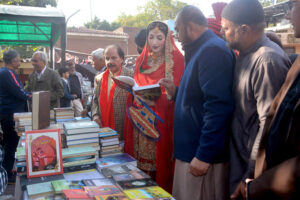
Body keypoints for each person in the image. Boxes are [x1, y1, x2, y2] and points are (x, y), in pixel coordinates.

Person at [160, 5, 235, 199]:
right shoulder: (201, 50)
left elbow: (218, 107)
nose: (176, 36)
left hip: (201, 159)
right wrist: (176, 92)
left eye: (177, 29)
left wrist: (204, 154)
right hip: (192, 154)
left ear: (190, 27)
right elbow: (199, 97)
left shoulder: (212, 51)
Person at [221, 0, 291, 196]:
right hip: (239, 159)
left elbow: (267, 124)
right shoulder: (245, 55)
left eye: (226, 28)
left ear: (243, 29)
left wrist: (250, 176)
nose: (223, 33)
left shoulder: (267, 60)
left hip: (251, 169)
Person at [124, 21, 184, 193]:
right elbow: (136, 85)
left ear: (167, 38)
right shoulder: (141, 60)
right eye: (151, 37)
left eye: (160, 37)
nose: (155, 42)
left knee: (159, 164)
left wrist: (158, 99)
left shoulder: (177, 60)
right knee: (141, 167)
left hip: (162, 120)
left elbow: (178, 93)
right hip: (141, 120)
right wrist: (135, 94)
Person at [0, 50, 31, 181]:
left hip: (5, 112)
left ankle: (6, 171)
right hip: (12, 114)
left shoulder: (2, 72)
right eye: (19, 59)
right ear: (13, 61)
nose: (20, 61)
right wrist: (32, 95)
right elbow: (20, 92)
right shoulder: (9, 73)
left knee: (8, 143)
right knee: (12, 144)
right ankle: (7, 174)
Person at [91, 45, 133, 140]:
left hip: (125, 129)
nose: (110, 62)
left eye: (114, 58)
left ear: (122, 59)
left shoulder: (131, 75)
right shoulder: (99, 78)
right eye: (107, 58)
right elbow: (95, 101)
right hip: (103, 129)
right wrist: (95, 115)